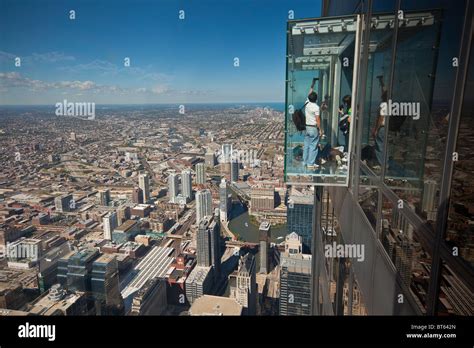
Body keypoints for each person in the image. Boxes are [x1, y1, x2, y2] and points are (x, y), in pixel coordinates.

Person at [303, 78, 322, 170]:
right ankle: (310, 163)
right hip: (314, 128)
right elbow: (318, 119)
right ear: (316, 99)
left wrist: (312, 84)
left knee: (306, 145)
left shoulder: (307, 103)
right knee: (313, 146)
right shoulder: (316, 107)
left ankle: (305, 162)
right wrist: (320, 130)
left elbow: (309, 93)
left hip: (307, 128)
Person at [372, 75, 388, 167]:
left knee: (380, 146)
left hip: (382, 127)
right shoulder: (389, 104)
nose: (381, 93)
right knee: (383, 146)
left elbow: (381, 118)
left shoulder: (383, 105)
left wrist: (376, 129)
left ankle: (382, 164)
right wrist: (381, 81)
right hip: (385, 128)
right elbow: (384, 90)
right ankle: (385, 163)